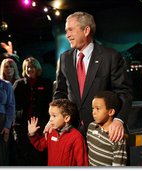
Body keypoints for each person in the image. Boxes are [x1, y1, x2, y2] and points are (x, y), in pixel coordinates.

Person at [52, 11, 133, 141]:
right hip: (71, 132)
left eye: (71, 30)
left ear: (86, 30)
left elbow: (123, 92)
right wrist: (54, 118)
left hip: (103, 133)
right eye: (66, 30)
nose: (67, 35)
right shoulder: (64, 58)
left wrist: (119, 120)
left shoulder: (110, 57)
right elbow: (60, 92)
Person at [13, 57, 52, 165]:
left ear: (37, 68)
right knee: (23, 154)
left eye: (32, 67)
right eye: (28, 67)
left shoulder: (46, 83)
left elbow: (50, 102)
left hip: (41, 124)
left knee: (39, 153)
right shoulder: (19, 84)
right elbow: (11, 104)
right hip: (22, 125)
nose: (30, 69)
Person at [28, 99, 88, 166]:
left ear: (66, 118)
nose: (50, 119)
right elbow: (40, 145)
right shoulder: (51, 132)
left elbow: (82, 163)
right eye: (50, 115)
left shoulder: (77, 137)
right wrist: (32, 134)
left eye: (54, 116)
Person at [87, 91, 127, 166]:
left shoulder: (116, 135)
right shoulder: (91, 127)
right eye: (93, 108)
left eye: (98, 109)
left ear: (111, 112)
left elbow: (118, 165)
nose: (93, 112)